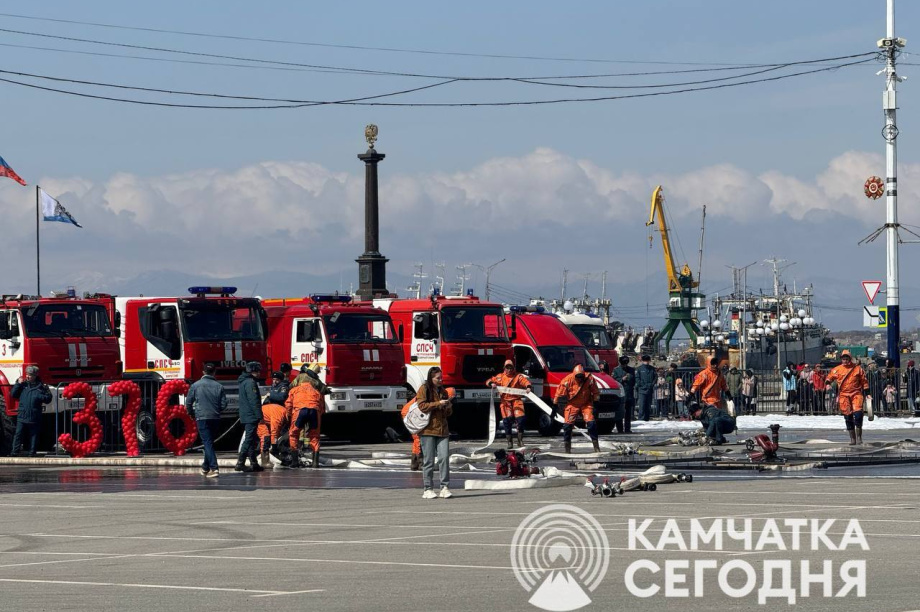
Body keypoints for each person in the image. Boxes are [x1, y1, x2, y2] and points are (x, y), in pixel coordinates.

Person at [416, 367, 453, 499]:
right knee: (429, 460)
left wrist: (448, 406)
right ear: (431, 378)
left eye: (441, 377)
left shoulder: (443, 391)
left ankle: (444, 487)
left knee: (444, 458)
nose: (440, 380)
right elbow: (422, 406)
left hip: (442, 430)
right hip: (427, 429)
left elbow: (448, 413)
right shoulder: (424, 389)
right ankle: (428, 488)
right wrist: (438, 404)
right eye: (438, 378)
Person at [186, 363, 227, 477]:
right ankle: (205, 467)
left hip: (202, 416)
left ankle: (214, 468)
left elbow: (188, 402)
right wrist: (216, 410)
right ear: (214, 372)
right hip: (215, 416)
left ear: (203, 372)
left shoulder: (195, 385)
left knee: (207, 442)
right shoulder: (219, 386)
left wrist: (191, 413)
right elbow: (224, 404)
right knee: (209, 442)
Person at [825, 350, 871, 445]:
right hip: (843, 395)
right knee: (848, 417)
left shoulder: (857, 369)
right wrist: (828, 384)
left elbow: (864, 382)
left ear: (850, 359)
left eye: (846, 359)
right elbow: (829, 377)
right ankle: (852, 439)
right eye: (843, 359)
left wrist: (868, 394)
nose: (845, 361)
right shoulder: (837, 369)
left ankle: (859, 437)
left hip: (856, 394)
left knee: (858, 414)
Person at [286, 364, 327, 468]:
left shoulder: (295, 388)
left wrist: (288, 415)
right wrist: (320, 413)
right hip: (314, 411)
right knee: (315, 436)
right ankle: (315, 462)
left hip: (300, 410)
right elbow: (322, 403)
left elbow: (289, 403)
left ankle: (295, 462)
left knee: (294, 434)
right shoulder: (316, 387)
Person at [554, 364, 601, 454]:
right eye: (578, 377)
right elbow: (558, 393)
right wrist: (555, 405)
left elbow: (596, 392)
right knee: (567, 426)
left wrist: (596, 404)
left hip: (586, 404)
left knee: (591, 424)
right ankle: (567, 449)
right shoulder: (567, 380)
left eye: (581, 377)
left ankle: (596, 447)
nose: (580, 379)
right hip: (572, 404)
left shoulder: (589, 379)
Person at [487, 359, 532, 449]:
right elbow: (489, 381)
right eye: (507, 367)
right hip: (505, 402)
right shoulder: (500, 377)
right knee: (507, 422)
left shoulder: (518, 376)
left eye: (511, 367)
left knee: (521, 420)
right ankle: (509, 442)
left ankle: (520, 440)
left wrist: (528, 387)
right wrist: (492, 384)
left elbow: (525, 382)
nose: (509, 369)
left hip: (516, 400)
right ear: (504, 368)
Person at [9, 366, 52, 457]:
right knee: (18, 434)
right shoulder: (23, 385)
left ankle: (32, 452)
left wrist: (40, 397)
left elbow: (48, 399)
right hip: (22, 415)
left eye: (30, 375)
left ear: (35, 375)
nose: (28, 376)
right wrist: (18, 384)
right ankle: (14, 452)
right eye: (27, 374)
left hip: (34, 415)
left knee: (34, 435)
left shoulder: (41, 387)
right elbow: (13, 394)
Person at [236, 361, 264, 472]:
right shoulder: (250, 383)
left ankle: (254, 462)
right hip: (251, 415)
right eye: (258, 371)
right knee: (249, 439)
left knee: (251, 438)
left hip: (245, 414)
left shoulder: (243, 382)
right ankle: (240, 462)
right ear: (253, 371)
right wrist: (259, 416)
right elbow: (254, 401)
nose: (259, 373)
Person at [258, 371, 291, 465]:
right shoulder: (274, 387)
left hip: (276, 412)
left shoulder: (283, 387)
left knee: (278, 434)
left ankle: (276, 452)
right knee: (269, 435)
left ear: (280, 380)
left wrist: (270, 395)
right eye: (273, 379)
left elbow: (282, 397)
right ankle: (271, 453)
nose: (274, 381)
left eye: (276, 379)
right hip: (273, 412)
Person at [612, 356, 636, 433]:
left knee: (628, 413)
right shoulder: (616, 370)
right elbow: (613, 380)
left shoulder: (631, 370)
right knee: (620, 412)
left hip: (629, 393)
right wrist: (621, 379)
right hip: (620, 394)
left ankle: (627, 429)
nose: (624, 366)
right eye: (623, 364)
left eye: (626, 364)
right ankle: (620, 429)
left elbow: (634, 381)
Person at [400, 398, 422, 470]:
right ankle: (420, 462)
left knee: (416, 438)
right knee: (418, 438)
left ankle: (415, 463)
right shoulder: (428, 394)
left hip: (409, 413)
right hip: (410, 414)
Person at [635, 355, 656, 422]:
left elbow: (655, 378)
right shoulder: (639, 369)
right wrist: (642, 385)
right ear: (642, 361)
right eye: (645, 361)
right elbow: (637, 379)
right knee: (642, 405)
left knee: (648, 405)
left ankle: (647, 418)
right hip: (642, 389)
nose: (646, 362)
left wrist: (651, 385)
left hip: (649, 389)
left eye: (647, 361)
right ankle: (641, 418)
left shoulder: (652, 369)